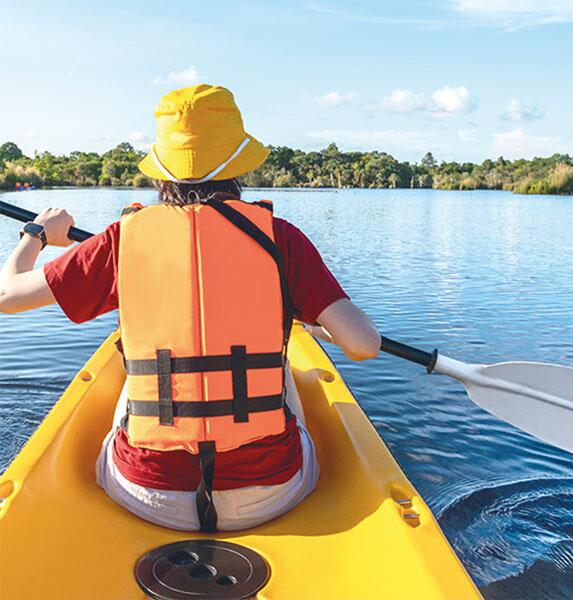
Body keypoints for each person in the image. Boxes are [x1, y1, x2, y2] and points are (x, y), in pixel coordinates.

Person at [0, 84, 381, 531]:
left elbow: (7, 296)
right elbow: (364, 345)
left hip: (146, 493)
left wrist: (37, 234)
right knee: (286, 371)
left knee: (133, 374)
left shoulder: (122, 240)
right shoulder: (282, 239)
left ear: (163, 169)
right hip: (270, 492)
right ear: (238, 164)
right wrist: (311, 321)